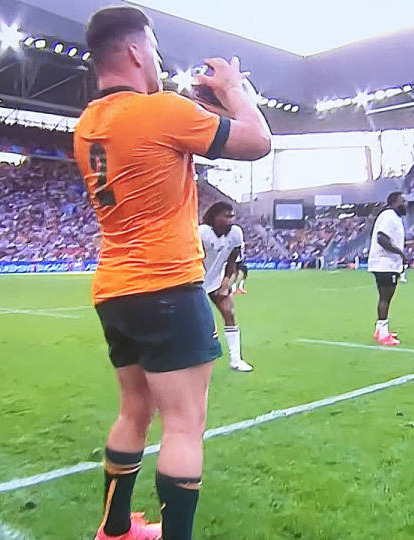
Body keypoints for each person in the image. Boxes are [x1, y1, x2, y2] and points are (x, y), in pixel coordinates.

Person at [74, 6, 271, 540]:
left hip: (114, 288)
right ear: (136, 52)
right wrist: (234, 88)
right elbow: (257, 141)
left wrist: (195, 110)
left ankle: (115, 530)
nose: (159, 63)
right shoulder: (160, 110)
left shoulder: (88, 125)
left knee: (133, 410)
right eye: (156, 52)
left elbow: (154, 156)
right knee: (184, 425)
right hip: (166, 284)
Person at [199, 202, 255, 372]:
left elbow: (233, 260)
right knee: (201, 322)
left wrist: (224, 285)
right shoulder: (202, 232)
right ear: (214, 216)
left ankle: (236, 360)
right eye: (226, 216)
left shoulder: (236, 233)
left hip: (217, 280)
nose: (230, 219)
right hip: (196, 281)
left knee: (229, 313)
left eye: (232, 216)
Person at [369, 192, 407, 346]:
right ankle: (383, 333)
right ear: (394, 202)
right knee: (385, 297)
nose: (406, 204)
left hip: (389, 263)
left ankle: (380, 329)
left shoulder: (395, 217)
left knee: (386, 297)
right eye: (403, 201)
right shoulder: (389, 215)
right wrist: (400, 252)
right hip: (384, 263)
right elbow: (381, 238)